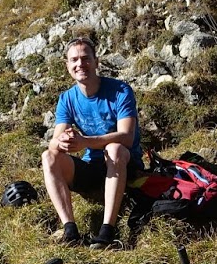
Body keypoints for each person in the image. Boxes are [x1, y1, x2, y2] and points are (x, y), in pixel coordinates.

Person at [41, 35, 144, 250]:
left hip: (125, 163)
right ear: (67, 65)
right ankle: (70, 230)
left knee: (114, 148)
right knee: (48, 156)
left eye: (86, 58)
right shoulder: (67, 99)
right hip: (92, 167)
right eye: (74, 60)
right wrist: (63, 141)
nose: (80, 64)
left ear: (96, 62)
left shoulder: (120, 91)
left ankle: (108, 231)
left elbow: (127, 136)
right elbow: (54, 144)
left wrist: (85, 141)